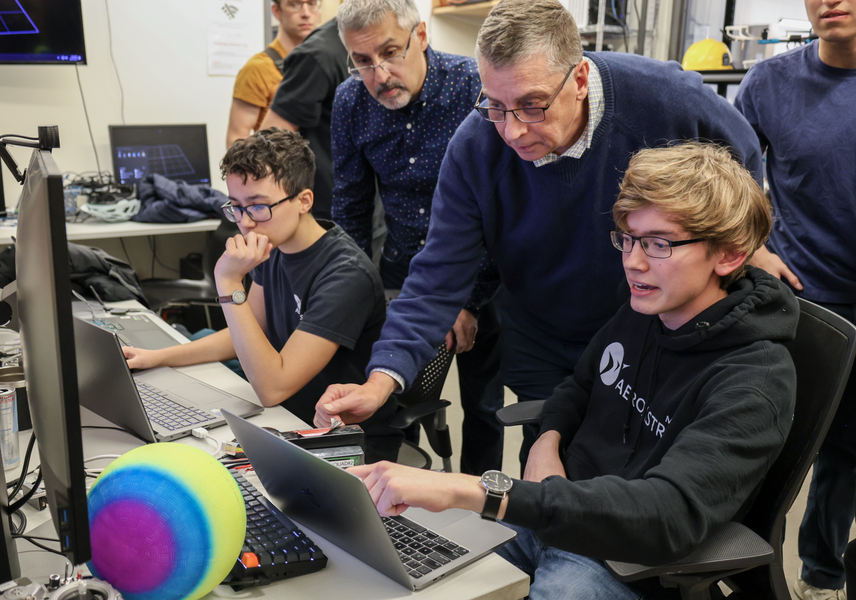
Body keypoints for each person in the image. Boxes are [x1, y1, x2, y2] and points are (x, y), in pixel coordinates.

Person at [315, 0, 763, 469]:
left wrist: (750, 243)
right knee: (550, 464)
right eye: (496, 105)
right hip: (543, 334)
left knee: (638, 467)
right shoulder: (475, 146)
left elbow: (744, 166)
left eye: (532, 105)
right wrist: (380, 381)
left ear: (581, 80)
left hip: (654, 330)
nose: (511, 130)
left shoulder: (664, 98)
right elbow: (437, 276)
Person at [350, 142, 798, 599]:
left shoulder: (754, 381)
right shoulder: (647, 308)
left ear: (728, 255)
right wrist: (547, 441)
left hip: (622, 557)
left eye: (659, 244)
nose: (633, 262)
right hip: (554, 508)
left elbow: (667, 513)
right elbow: (580, 385)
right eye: (628, 238)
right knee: (402, 574)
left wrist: (480, 490)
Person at [122, 129, 401, 463]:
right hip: (284, 419)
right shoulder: (277, 247)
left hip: (343, 441)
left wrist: (228, 282)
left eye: (257, 206)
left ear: (304, 200)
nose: (245, 223)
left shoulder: (345, 274)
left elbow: (273, 388)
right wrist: (159, 357)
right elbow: (248, 332)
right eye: (236, 207)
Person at [331, 0, 504, 475]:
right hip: (404, 278)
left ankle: (479, 506)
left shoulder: (473, 86)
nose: (380, 73)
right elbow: (350, 209)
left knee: (485, 406)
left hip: (487, 278)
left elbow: (502, 205)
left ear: (421, 36)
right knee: (391, 405)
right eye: (362, 61)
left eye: (390, 52)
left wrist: (465, 301)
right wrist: (350, 300)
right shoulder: (351, 102)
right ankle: (399, 503)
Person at [734, 1, 856, 598]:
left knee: (847, 452)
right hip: (797, 300)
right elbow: (721, 176)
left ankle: (823, 575)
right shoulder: (769, 83)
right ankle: (742, 571)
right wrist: (750, 245)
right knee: (769, 449)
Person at [258, 16, 349, 221]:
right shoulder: (319, 55)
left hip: (373, 209)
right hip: (327, 213)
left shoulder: (382, 48)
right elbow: (268, 145)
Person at [226, 0, 319, 148]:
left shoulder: (323, 66)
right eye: (294, 4)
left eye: (312, 3)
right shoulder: (257, 69)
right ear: (276, 11)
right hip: (280, 167)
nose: (306, 14)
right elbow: (236, 141)